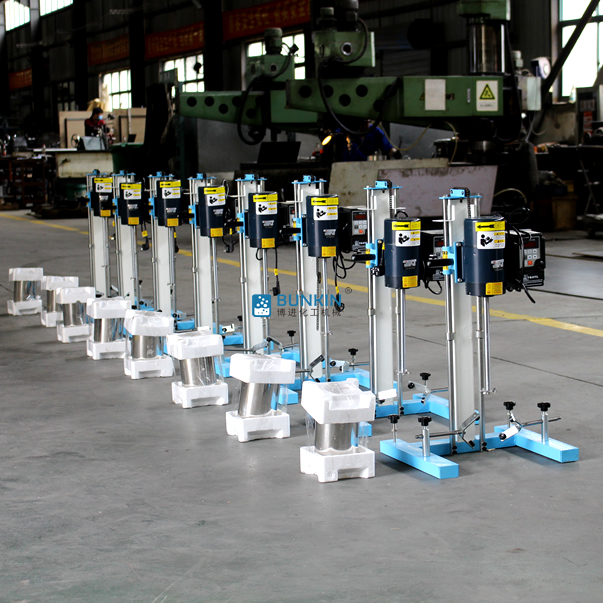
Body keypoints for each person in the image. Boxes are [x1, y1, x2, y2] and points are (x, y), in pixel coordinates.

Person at [331, 119, 402, 162]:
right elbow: (334, 136)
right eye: (362, 124)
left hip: (368, 166)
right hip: (348, 166)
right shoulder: (348, 130)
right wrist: (331, 135)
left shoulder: (376, 132)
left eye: (366, 123)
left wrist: (395, 153)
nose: (364, 126)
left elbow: (388, 149)